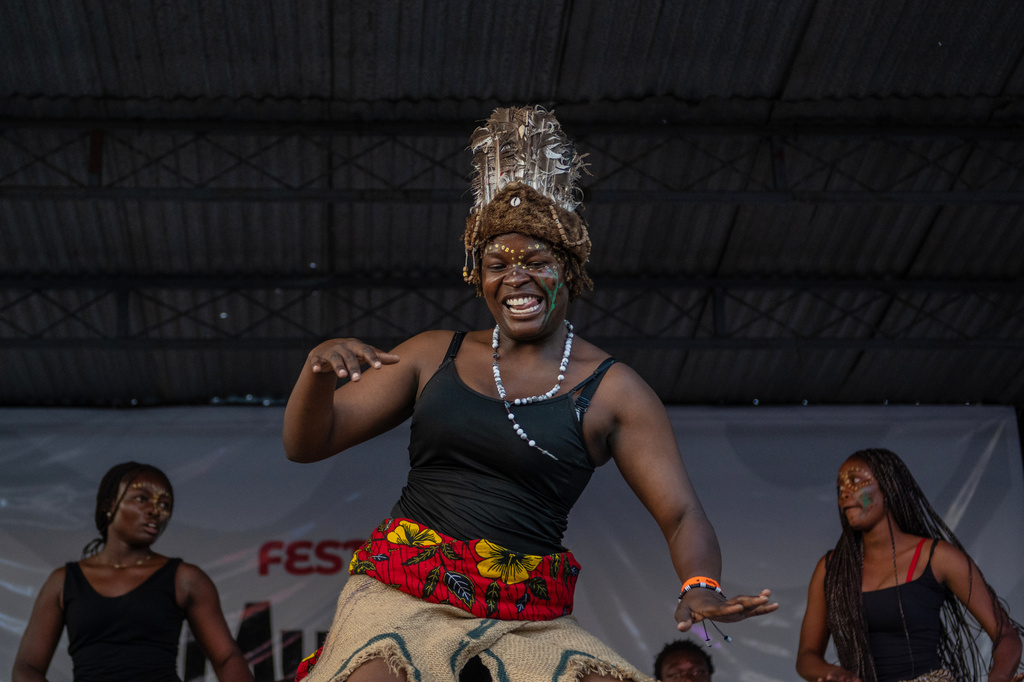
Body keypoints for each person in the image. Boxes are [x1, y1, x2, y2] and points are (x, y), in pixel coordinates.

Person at [283, 105, 777, 682]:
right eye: (497, 264)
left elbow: (682, 512)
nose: (515, 277)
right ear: (480, 277)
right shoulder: (431, 352)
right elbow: (306, 444)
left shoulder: (614, 389)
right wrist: (316, 374)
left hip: (528, 612)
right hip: (404, 587)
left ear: (569, 271)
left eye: (536, 261)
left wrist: (701, 587)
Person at [796, 448, 1024, 682]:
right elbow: (806, 656)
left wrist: (999, 678)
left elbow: (1005, 634)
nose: (844, 493)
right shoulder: (831, 568)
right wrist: (832, 672)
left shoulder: (937, 557)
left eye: (855, 483)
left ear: (890, 487)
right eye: (839, 488)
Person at [12, 462, 254, 682]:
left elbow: (227, 658)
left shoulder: (186, 579)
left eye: (164, 504)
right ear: (109, 505)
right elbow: (27, 667)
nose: (155, 510)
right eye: (142, 498)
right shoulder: (63, 582)